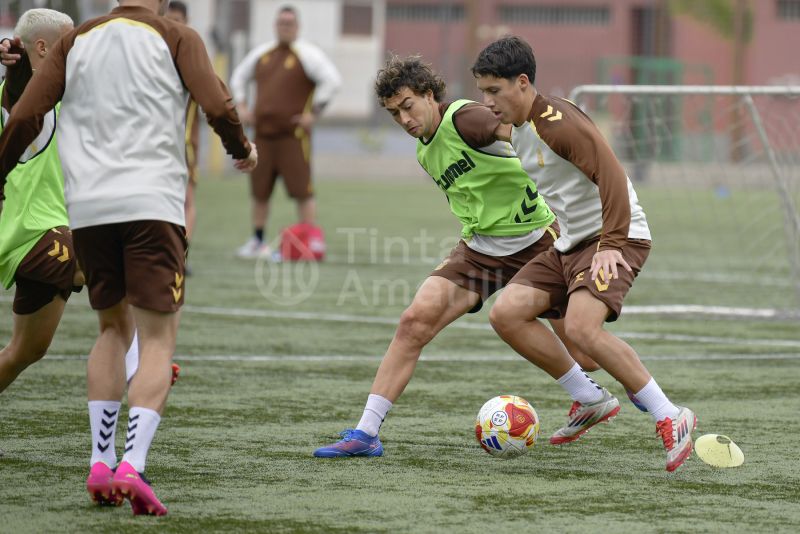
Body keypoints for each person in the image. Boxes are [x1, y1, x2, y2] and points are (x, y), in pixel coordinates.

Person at [0, 0, 257, 515]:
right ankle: (131, 467)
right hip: (152, 204)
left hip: (88, 210)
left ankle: (99, 462)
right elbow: (218, 104)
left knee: (111, 331)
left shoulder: (78, 40)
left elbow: (26, 112)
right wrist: (239, 149)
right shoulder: (175, 35)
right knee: (158, 340)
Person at [313, 55, 601, 458]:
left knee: (588, 351)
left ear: (430, 95)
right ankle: (366, 433)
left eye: (408, 106)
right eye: (394, 113)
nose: (404, 119)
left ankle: (629, 393)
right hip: (479, 251)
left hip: (538, 242)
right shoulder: (424, 150)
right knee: (413, 323)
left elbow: (512, 127)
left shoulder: (466, 120)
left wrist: (572, 157)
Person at [471, 36, 696, 471]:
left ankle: (670, 415)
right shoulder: (516, 126)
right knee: (506, 314)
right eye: (483, 91)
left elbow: (611, 172)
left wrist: (612, 244)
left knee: (582, 329)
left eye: (494, 90)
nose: (488, 101)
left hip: (618, 236)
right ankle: (589, 398)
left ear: (522, 83)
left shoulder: (556, 123)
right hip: (570, 242)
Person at [0, 10, 79, 395]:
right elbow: (16, 90)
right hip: (39, 231)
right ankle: (145, 360)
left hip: (54, 228)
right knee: (125, 264)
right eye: (70, 40)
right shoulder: (23, 90)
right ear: (44, 48)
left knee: (25, 351)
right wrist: (11, 58)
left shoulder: (60, 92)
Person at [229, 4, 341, 258]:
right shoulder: (263, 54)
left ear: (297, 27)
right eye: (281, 23)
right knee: (259, 191)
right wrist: (243, 105)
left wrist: (314, 113)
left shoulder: (307, 55)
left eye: (289, 23)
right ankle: (257, 240)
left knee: (302, 191)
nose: (285, 27)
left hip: (293, 137)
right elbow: (238, 77)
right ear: (275, 26)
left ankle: (308, 242)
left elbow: (332, 81)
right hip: (262, 137)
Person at [165, 0, 200, 271]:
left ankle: (180, 256)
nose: (174, 24)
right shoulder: (153, 50)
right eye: (170, 19)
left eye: (178, 19)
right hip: (153, 144)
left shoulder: (189, 53)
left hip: (183, 143)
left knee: (186, 199)